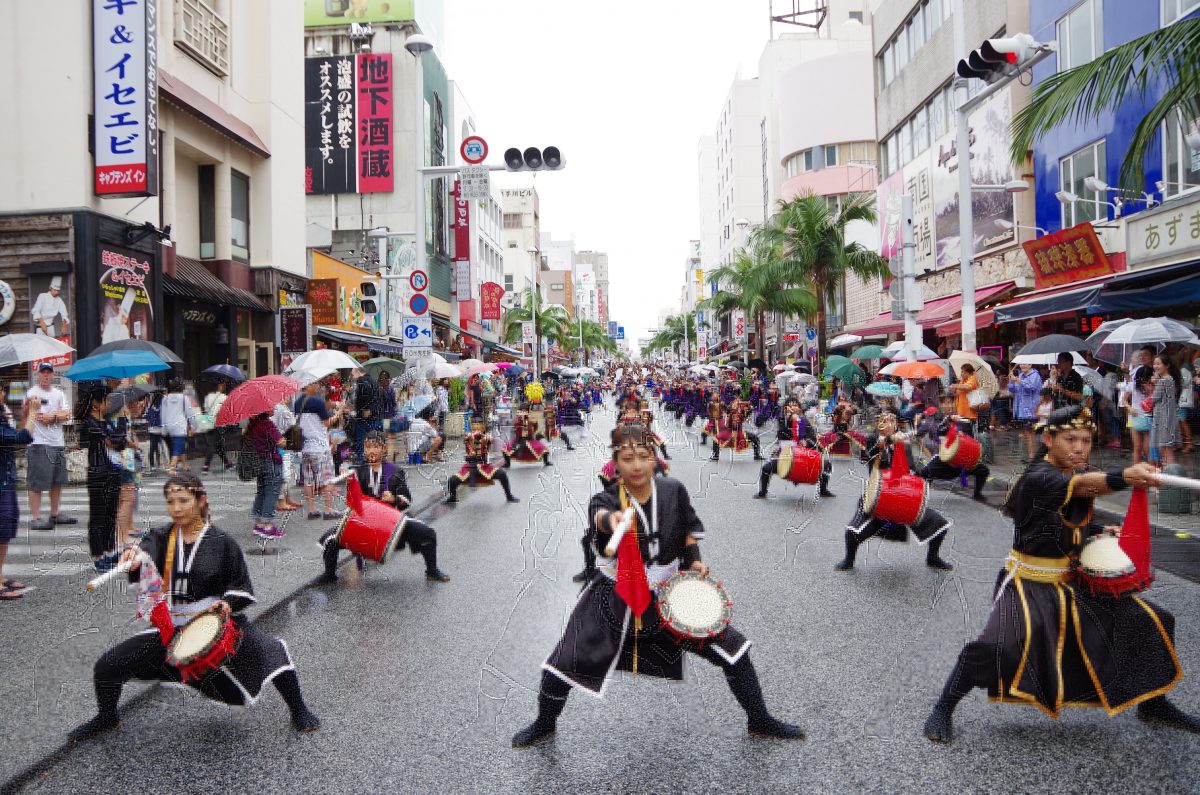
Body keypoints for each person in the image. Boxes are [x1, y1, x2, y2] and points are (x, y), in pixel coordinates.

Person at [511, 422, 805, 748]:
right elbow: (599, 517)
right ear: (616, 464)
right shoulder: (605, 498)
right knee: (563, 661)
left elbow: (689, 531)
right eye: (627, 458)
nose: (636, 465)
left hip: (670, 591)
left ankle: (760, 719)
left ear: (654, 459)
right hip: (615, 591)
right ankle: (544, 722)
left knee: (734, 650)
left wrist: (693, 559)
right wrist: (613, 521)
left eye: (642, 456)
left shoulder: (673, 490)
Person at [922, 406, 1195, 744]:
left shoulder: (1068, 471)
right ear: (1048, 439)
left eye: (1085, 440)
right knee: (999, 646)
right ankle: (943, 706)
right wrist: (1125, 477)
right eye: (1070, 439)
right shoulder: (1040, 475)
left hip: (1071, 580)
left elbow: (1055, 517)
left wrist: (1095, 528)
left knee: (1152, 620)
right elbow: (1080, 486)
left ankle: (1154, 703)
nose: (1079, 447)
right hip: (1028, 582)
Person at [68, 473, 319, 741]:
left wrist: (227, 603)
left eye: (183, 500)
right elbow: (145, 551)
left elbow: (241, 587)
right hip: (171, 629)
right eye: (171, 501)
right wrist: (134, 555)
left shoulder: (222, 542)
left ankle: (298, 708)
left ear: (201, 501)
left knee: (270, 652)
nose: (176, 508)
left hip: (214, 622)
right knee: (108, 665)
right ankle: (107, 716)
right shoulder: (161, 536)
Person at [318, 431, 449, 584]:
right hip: (365, 522)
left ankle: (432, 571)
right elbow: (354, 504)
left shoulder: (395, 471)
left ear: (384, 449)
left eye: (375, 447)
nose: (371, 451)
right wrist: (349, 485)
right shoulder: (359, 471)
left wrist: (394, 498)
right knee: (331, 538)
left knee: (428, 533)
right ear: (364, 450)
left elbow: (406, 499)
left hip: (390, 523)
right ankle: (329, 574)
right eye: (368, 447)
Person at [834, 410, 953, 572]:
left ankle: (933, 558)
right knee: (853, 531)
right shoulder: (871, 440)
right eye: (884, 421)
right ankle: (848, 560)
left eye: (892, 422)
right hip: (877, 496)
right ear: (877, 424)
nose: (889, 425)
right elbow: (874, 448)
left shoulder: (903, 445)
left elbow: (912, 470)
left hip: (902, 496)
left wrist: (924, 474)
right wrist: (890, 440)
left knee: (940, 525)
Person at [77, 386, 125, 571]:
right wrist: (122, 419)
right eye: (107, 399)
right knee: (98, 516)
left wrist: (120, 423)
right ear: (96, 403)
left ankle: (109, 550)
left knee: (111, 514)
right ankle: (98, 555)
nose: (110, 404)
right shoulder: (89, 423)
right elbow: (113, 441)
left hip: (113, 472)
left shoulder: (106, 422)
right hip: (98, 473)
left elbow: (120, 443)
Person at [25, 363, 76, 531]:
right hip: (39, 442)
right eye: (43, 373)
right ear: (38, 375)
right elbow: (38, 416)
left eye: (49, 373)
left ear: (53, 375)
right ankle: (36, 517)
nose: (46, 375)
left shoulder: (59, 393)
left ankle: (55, 513)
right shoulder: (33, 393)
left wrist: (54, 416)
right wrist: (57, 415)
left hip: (57, 442)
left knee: (57, 481)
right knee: (37, 482)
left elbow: (67, 415)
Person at [1, 388, 38, 600]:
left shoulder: (2, 414)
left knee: (5, 528)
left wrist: (24, 416)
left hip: (6, 478)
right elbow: (23, 438)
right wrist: (32, 413)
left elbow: (14, 436)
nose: (3, 393)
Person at [754, 397, 832, 499]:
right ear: (785, 408)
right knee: (766, 468)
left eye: (795, 405)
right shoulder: (782, 421)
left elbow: (814, 441)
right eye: (789, 406)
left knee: (826, 465)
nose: (792, 408)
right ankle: (762, 492)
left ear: (799, 409)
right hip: (786, 458)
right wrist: (789, 420)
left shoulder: (805, 422)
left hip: (804, 458)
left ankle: (823, 490)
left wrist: (807, 442)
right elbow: (782, 436)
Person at [917, 395, 990, 503]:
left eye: (951, 402)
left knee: (983, 470)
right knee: (923, 473)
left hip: (960, 459)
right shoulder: (934, 418)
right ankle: (920, 498)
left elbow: (967, 439)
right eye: (946, 403)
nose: (949, 405)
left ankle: (977, 494)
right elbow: (931, 432)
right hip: (942, 459)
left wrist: (962, 435)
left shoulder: (961, 419)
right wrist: (926, 451)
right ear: (941, 405)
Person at [445, 415, 520, 504]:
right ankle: (452, 497)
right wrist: (471, 437)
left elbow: (489, 439)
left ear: (483, 426)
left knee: (502, 474)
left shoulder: (486, 437)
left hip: (484, 466)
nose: (476, 427)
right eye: (474, 425)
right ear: (471, 426)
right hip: (470, 467)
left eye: (479, 425)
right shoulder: (468, 437)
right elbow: (467, 439)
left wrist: (484, 437)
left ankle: (509, 496)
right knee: (452, 480)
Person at [295, 383, 343, 521]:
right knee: (327, 478)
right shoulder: (317, 401)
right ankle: (328, 510)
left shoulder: (298, 402)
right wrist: (339, 413)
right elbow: (327, 423)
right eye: (316, 383)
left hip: (305, 447)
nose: (318, 387)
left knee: (308, 480)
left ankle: (311, 510)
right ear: (309, 384)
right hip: (320, 448)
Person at [245, 411, 285, 539]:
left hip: (259, 461)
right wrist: (286, 439)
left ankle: (258, 523)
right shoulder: (267, 424)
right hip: (271, 461)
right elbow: (281, 442)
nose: (273, 407)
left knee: (262, 491)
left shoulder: (253, 424)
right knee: (272, 492)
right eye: (269, 406)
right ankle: (268, 525)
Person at [1148, 354, 1181, 467]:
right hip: (1167, 418)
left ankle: (1171, 478)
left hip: (1163, 420)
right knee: (1166, 450)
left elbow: (1154, 399)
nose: (1155, 366)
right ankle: (1170, 477)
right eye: (1154, 364)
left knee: (1165, 451)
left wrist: (1154, 384)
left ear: (1166, 365)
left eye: (1158, 363)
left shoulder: (1163, 381)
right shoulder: (1170, 379)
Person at [272, 400, 303, 513]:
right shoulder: (280, 408)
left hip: (280, 443)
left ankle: (287, 498)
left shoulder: (277, 407)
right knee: (283, 473)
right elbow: (292, 423)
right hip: (281, 443)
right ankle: (281, 501)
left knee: (285, 472)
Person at [160, 378, 195, 475]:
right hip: (180, 425)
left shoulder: (165, 398)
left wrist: (164, 428)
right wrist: (193, 425)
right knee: (177, 446)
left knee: (180, 445)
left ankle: (185, 464)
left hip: (169, 425)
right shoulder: (184, 398)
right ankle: (171, 468)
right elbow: (189, 413)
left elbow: (163, 414)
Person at [201, 380, 234, 474]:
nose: (223, 387)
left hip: (208, 422)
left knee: (218, 445)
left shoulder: (207, 397)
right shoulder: (223, 397)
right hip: (219, 423)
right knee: (213, 444)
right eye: (222, 385)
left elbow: (206, 409)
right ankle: (206, 466)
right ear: (219, 386)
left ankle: (227, 463)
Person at [350, 366, 382, 459]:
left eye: (353, 374)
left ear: (358, 372)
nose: (353, 377)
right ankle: (373, 459)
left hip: (365, 418)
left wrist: (366, 409)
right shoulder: (372, 380)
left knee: (361, 442)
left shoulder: (362, 381)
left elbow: (365, 396)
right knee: (373, 441)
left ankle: (362, 461)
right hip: (375, 417)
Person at [948, 363, 980, 436]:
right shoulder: (962, 381)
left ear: (968, 373)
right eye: (961, 372)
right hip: (961, 413)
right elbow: (957, 393)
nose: (961, 374)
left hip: (969, 414)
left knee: (969, 436)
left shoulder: (972, 378)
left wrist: (956, 385)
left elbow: (968, 387)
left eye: (963, 372)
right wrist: (954, 390)